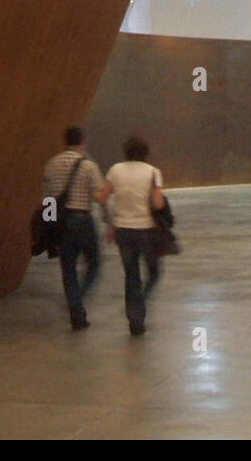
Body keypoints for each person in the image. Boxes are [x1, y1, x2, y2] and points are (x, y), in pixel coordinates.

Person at [98, 134, 165, 336]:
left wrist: (111, 223)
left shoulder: (115, 170)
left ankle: (134, 319)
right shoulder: (153, 172)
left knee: (131, 275)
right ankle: (139, 304)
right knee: (153, 272)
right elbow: (158, 204)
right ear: (145, 152)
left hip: (123, 231)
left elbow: (102, 198)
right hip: (146, 230)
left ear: (126, 151)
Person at [43, 126, 106, 331]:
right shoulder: (89, 166)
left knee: (68, 270)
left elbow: (48, 200)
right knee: (94, 262)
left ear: (65, 141)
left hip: (61, 223)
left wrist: (50, 227)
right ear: (83, 142)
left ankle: (77, 317)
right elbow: (99, 198)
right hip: (82, 220)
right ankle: (78, 296)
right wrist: (109, 219)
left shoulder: (51, 164)